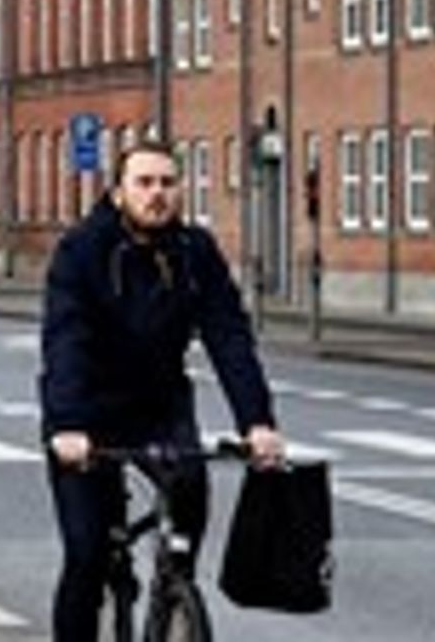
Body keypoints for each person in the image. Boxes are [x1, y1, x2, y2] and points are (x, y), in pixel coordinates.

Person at [39, 139, 285, 641]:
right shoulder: (82, 251)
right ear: (118, 192)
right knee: (86, 553)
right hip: (87, 413)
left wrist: (256, 422)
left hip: (159, 405)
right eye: (145, 183)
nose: (158, 195)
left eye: (168, 183)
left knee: (190, 484)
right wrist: (66, 425)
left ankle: (174, 590)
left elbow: (229, 337)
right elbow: (65, 340)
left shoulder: (195, 252)